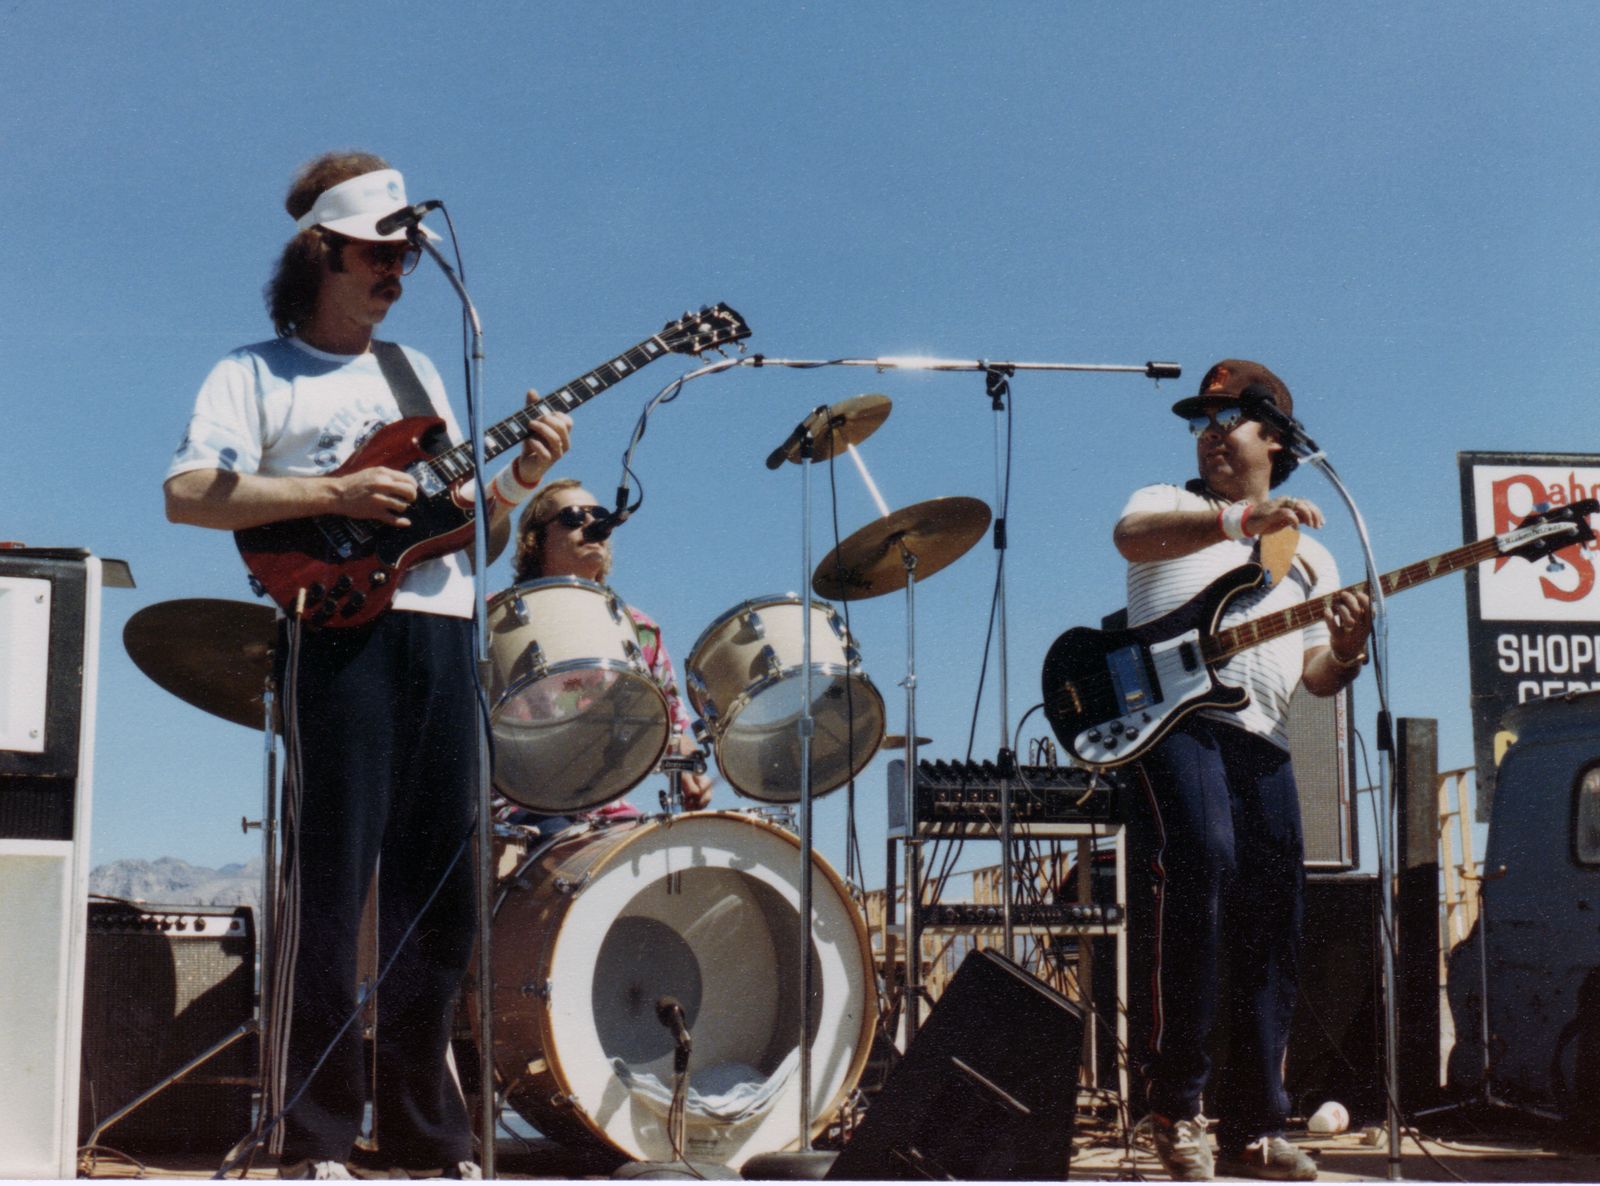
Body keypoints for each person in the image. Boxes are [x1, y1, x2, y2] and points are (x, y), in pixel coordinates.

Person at [164, 151, 573, 1180]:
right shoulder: (254, 371)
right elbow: (188, 492)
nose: (397, 272)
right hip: (339, 635)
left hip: (442, 631)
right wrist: (333, 496)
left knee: (442, 895)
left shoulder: (419, 373)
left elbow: (465, 535)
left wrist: (519, 479)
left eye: (406, 258)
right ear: (323, 255)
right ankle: (312, 1137)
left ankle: (426, 1139)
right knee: (332, 887)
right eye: (378, 255)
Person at [1113, 360, 1372, 1182]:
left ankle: (1255, 1124)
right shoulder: (1171, 503)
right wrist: (1240, 519)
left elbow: (1316, 677)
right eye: (1202, 422)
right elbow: (1130, 538)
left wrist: (1349, 649)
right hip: (1171, 724)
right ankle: (1174, 1106)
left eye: (1230, 420)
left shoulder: (1313, 558)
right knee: (1204, 862)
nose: (1211, 435)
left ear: (1278, 439)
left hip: (1261, 736)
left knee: (1274, 915)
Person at [499, 477, 714, 816]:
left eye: (598, 515)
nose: (592, 523)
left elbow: (674, 727)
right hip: (516, 808)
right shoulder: (495, 618)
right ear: (535, 540)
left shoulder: (639, 629)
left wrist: (687, 765)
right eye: (573, 517)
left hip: (606, 811)